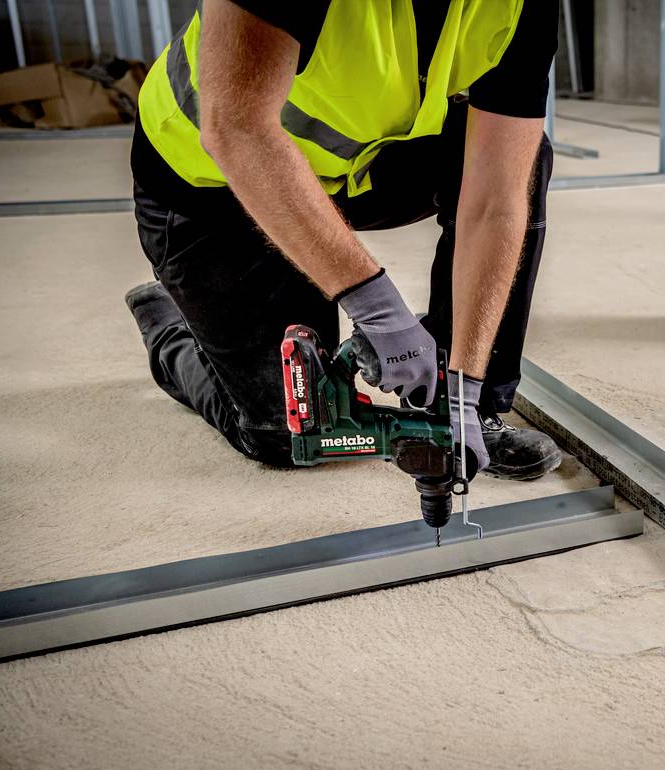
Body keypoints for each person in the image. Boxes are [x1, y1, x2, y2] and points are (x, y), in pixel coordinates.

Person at [125, 0, 562, 481]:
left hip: (356, 169)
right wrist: (378, 308)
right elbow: (236, 127)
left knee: (518, 161)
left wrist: (466, 382)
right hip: (212, 188)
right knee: (293, 430)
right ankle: (169, 325)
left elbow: (495, 202)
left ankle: (467, 407)